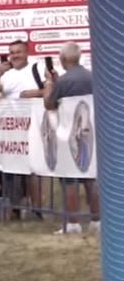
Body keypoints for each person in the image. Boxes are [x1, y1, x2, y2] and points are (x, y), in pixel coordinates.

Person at [44, 42, 100, 234]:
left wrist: (49, 84)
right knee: (91, 178)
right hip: (91, 133)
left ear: (62, 59)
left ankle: (73, 223)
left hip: (68, 135)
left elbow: (49, 104)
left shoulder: (63, 82)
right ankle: (97, 220)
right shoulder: (92, 77)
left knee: (69, 180)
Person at [0, 40, 44, 219]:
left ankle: (37, 209)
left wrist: (29, 94)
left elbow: (51, 90)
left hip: (34, 125)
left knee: (34, 169)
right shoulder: (6, 74)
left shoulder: (38, 68)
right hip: (11, 129)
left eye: (18, 52)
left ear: (27, 53)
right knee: (12, 170)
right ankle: (15, 208)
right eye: (12, 52)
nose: (15, 55)